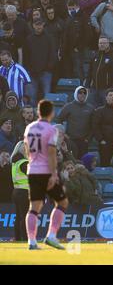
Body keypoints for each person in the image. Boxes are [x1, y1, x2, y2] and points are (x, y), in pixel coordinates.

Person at [24, 99, 69, 250]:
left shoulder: (29, 128)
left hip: (33, 170)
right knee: (62, 202)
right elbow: (51, 153)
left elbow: (26, 149)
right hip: (45, 171)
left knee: (34, 206)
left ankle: (32, 241)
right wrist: (54, 174)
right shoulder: (51, 130)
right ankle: (51, 236)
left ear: (38, 111)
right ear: (51, 113)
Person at [55, 86, 94, 159]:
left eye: (84, 93)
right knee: (71, 161)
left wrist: (88, 139)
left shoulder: (90, 108)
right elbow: (59, 120)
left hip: (84, 141)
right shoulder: (68, 106)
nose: (82, 94)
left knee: (82, 162)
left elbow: (93, 126)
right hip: (71, 140)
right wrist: (65, 135)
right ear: (76, 94)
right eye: (80, 93)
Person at [23, 19, 55, 106]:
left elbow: (52, 54)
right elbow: (26, 56)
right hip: (32, 73)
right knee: (31, 96)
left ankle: (45, 116)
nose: (38, 27)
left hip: (46, 72)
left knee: (47, 96)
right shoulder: (29, 39)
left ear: (43, 25)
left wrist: (48, 68)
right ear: (33, 26)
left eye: (40, 24)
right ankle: (31, 116)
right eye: (36, 25)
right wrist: (29, 69)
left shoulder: (49, 38)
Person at [85, 36, 113, 106]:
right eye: (100, 43)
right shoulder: (95, 56)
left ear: (108, 44)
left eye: (104, 43)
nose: (102, 45)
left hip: (106, 90)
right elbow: (90, 72)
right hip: (94, 89)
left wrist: (112, 88)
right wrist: (87, 85)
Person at [62, 0, 90, 81]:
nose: (71, 10)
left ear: (77, 6)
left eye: (73, 8)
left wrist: (79, 47)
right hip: (68, 50)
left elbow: (88, 34)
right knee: (70, 72)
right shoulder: (68, 18)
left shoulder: (84, 17)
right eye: (69, 9)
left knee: (79, 71)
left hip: (79, 51)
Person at [10, 141, 29, 241]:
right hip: (24, 192)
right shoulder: (24, 162)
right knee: (25, 217)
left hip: (17, 191)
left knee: (19, 216)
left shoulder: (15, 162)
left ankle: (18, 238)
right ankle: (25, 238)